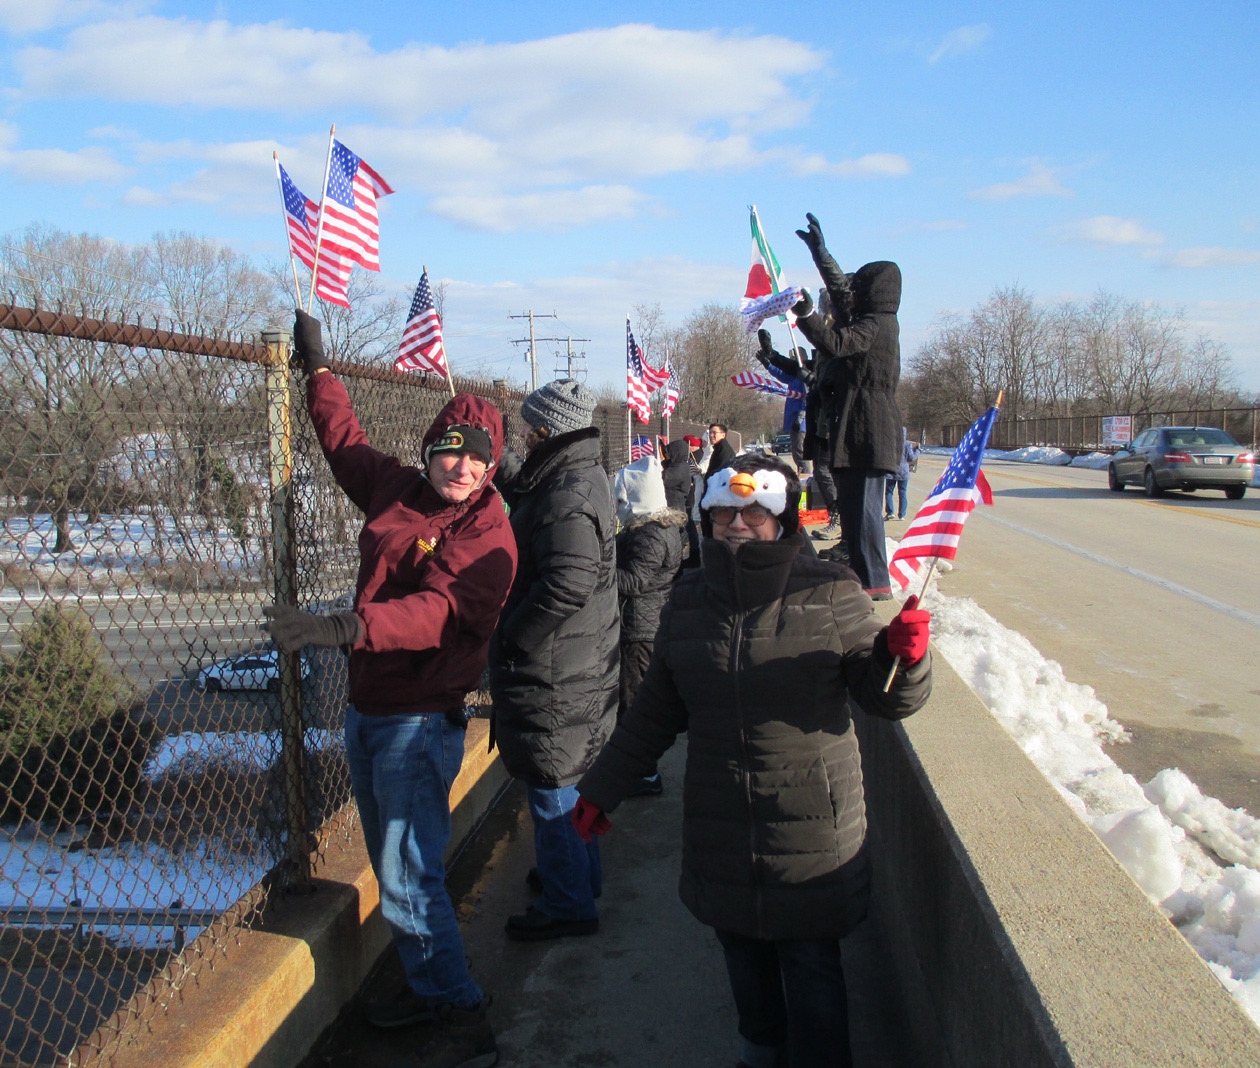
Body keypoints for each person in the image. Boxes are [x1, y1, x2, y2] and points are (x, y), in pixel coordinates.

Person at [571, 452, 933, 1068]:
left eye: (754, 513)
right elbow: (656, 709)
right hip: (723, 820)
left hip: (810, 825)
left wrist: (904, 658)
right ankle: (759, 1054)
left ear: (782, 520)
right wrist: (603, 787)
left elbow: (884, 698)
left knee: (811, 962)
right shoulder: (689, 598)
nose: (737, 525)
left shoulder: (830, 590)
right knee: (742, 953)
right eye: (724, 513)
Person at [263, 310, 516, 1067]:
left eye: (476, 460)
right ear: (431, 451)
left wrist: (343, 628)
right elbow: (344, 443)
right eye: (450, 452)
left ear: (491, 469)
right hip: (368, 709)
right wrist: (318, 370)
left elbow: (436, 613)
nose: (461, 468)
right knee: (394, 867)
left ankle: (462, 1016)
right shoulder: (398, 490)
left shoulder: (489, 536)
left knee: (408, 878)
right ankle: (424, 982)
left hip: (417, 721)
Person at [488, 379, 619, 941]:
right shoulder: (571, 473)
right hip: (574, 665)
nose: (523, 434)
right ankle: (578, 880)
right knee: (567, 782)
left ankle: (569, 904)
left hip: (556, 671)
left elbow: (568, 582)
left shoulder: (568, 490)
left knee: (553, 787)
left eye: (527, 427)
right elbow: (530, 491)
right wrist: (499, 458)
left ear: (547, 430)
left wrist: (514, 638)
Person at [792, 213, 906, 598]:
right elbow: (842, 292)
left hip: (869, 431)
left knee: (865, 514)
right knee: (856, 513)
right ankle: (863, 577)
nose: (850, 295)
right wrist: (821, 255)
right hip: (858, 430)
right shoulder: (871, 318)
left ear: (873, 293)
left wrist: (807, 315)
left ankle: (874, 582)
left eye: (859, 289)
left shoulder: (876, 325)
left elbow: (835, 343)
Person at [611, 454, 687, 796]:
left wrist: (598, 571)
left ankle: (643, 773)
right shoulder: (660, 529)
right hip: (645, 623)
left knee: (633, 701)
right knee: (633, 698)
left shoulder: (650, 535)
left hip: (640, 628)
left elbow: (634, 581)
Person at [755, 329, 841, 539]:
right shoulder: (799, 373)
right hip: (808, 421)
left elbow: (812, 391)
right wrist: (769, 361)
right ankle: (833, 512)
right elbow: (784, 374)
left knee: (812, 463)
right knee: (807, 460)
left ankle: (836, 514)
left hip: (810, 422)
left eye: (794, 356)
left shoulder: (815, 368)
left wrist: (802, 415)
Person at [661, 435, 702, 567]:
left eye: (670, 452)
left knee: (676, 534)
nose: (667, 455)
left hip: (676, 504)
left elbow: (664, 478)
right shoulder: (681, 464)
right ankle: (689, 557)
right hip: (680, 502)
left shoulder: (678, 468)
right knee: (685, 530)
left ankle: (676, 564)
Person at [884, 428, 918, 521]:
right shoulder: (907, 444)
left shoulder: (890, 444)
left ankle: (890, 512)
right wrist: (917, 451)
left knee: (889, 492)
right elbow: (911, 458)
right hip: (903, 472)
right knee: (902, 492)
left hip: (891, 470)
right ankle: (902, 515)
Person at [704, 423, 736, 489]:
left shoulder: (724, 451)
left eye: (714, 432)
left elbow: (721, 472)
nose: (711, 435)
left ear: (723, 435)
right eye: (710, 433)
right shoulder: (718, 448)